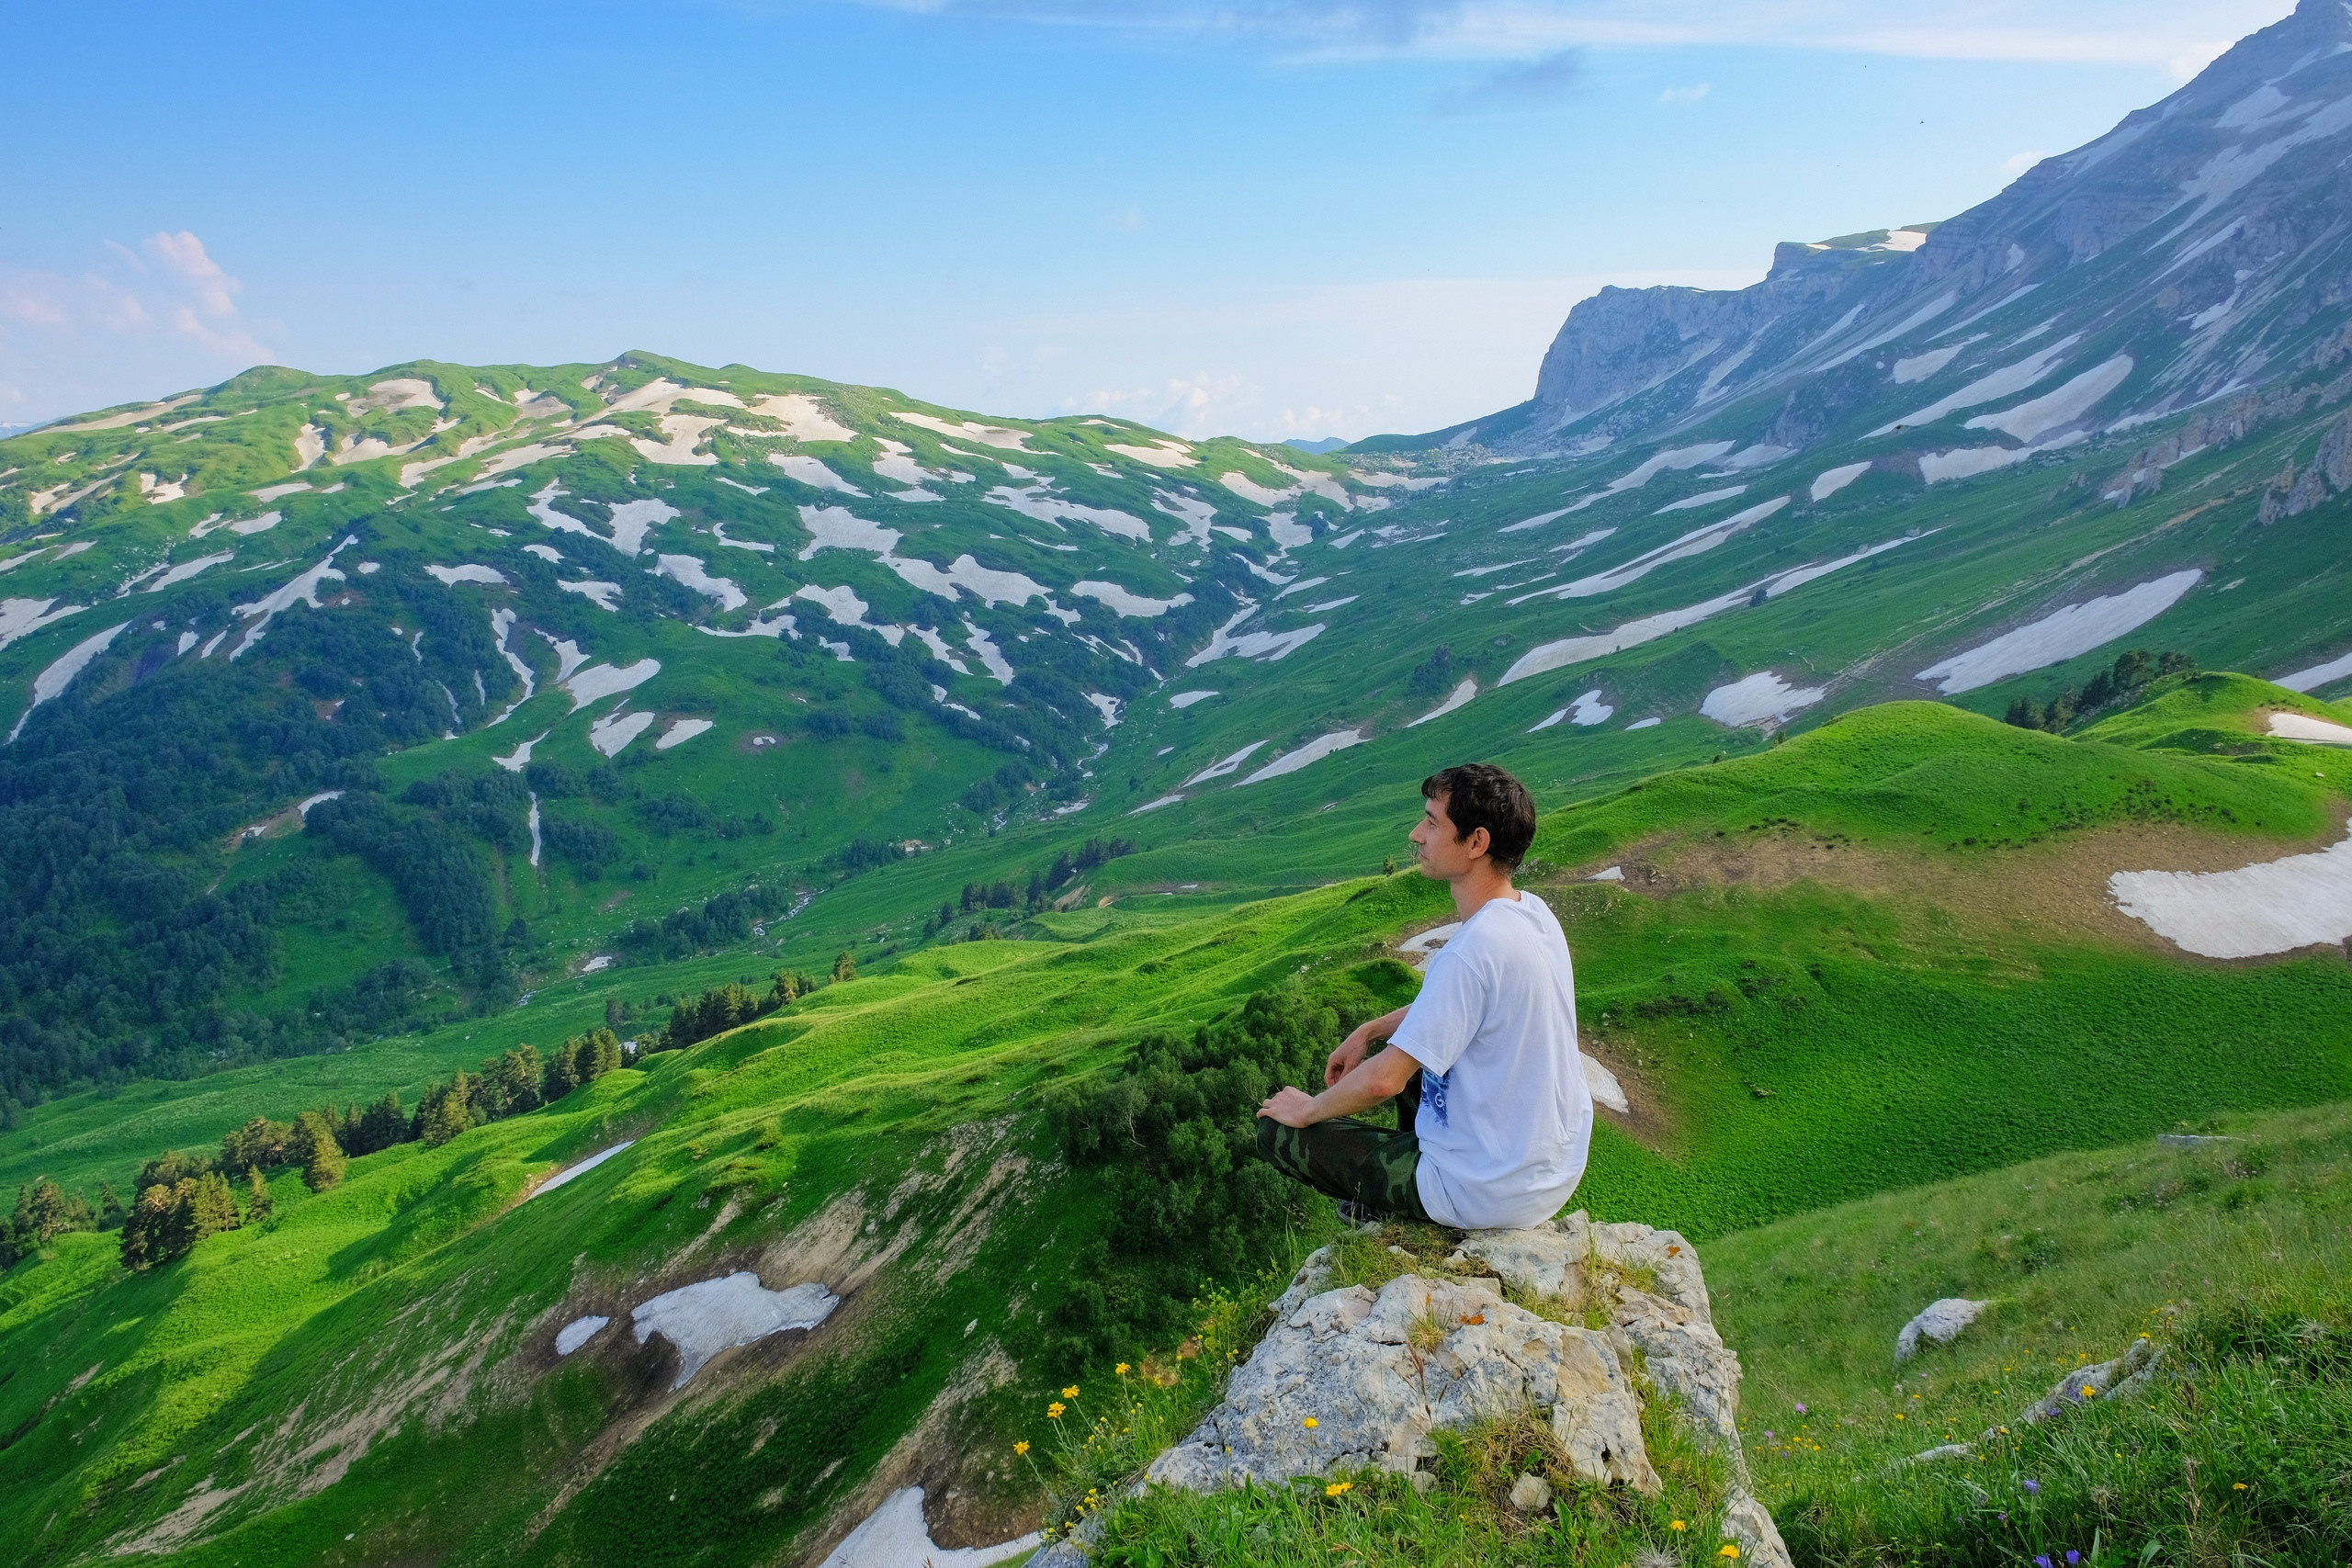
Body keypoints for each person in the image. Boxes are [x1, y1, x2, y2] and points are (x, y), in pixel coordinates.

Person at [1254, 762, 1591, 1231]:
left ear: (1476, 843)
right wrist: (1370, 1030)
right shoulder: (1531, 914)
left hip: (1483, 1190)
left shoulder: (1471, 951)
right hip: (1550, 1171)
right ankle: (1410, 1177)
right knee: (1422, 1056)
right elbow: (1448, 1011)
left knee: (1275, 1132)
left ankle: (1401, 1204)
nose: (1417, 835)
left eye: (1433, 823)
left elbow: (1382, 1083)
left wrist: (1307, 1108)